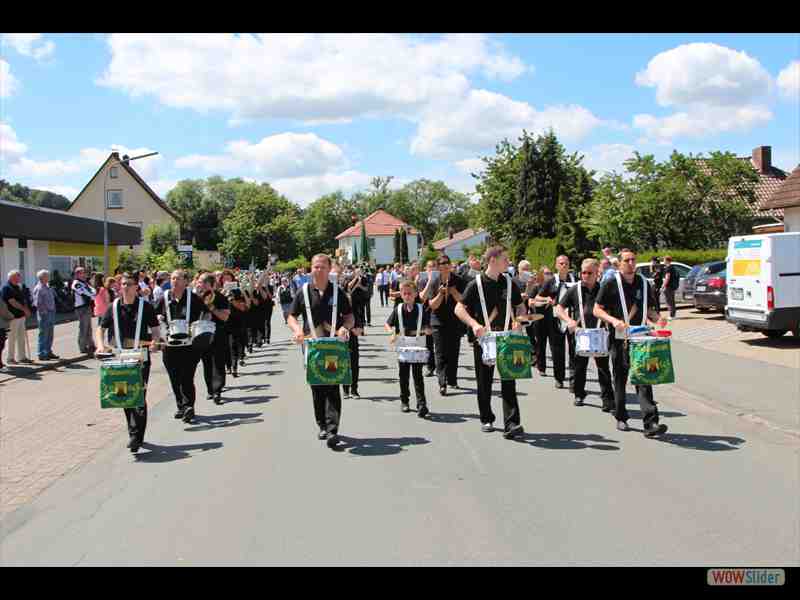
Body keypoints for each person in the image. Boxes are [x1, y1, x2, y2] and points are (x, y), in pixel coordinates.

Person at [593, 249, 669, 438]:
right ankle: (621, 416)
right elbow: (597, 309)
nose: (631, 263)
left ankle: (651, 423)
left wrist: (658, 319)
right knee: (620, 379)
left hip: (641, 339)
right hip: (620, 340)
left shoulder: (644, 283)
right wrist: (613, 321)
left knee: (644, 379)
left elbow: (649, 310)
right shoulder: (611, 283)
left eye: (634, 260)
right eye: (627, 260)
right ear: (619, 264)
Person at [455, 246, 526, 439]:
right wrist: (474, 324)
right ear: (493, 260)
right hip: (485, 339)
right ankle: (486, 418)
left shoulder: (509, 283)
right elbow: (459, 309)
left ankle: (511, 423)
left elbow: (520, 307)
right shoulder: (476, 284)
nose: (508, 262)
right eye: (505, 259)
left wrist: (519, 321)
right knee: (484, 381)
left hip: (506, 338)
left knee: (509, 381)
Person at [287, 254, 354, 449]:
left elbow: (349, 317)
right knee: (317, 386)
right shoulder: (304, 291)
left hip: (332, 346)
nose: (319, 270)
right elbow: (291, 316)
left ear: (329, 269)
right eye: (315, 267)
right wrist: (298, 330)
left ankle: (333, 429)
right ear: (311, 269)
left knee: (332, 385)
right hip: (312, 346)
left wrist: (345, 328)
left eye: (322, 267)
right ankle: (322, 425)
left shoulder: (338, 292)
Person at [95, 272, 162, 453]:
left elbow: (155, 329)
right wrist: (101, 346)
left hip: (140, 357)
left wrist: (155, 341)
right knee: (123, 396)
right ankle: (134, 433)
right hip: (120, 358)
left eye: (129, 284)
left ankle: (135, 436)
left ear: (136, 287)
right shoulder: (113, 306)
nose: (125, 287)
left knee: (138, 395)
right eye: (122, 284)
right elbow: (100, 329)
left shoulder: (145, 307)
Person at [554, 259, 614, 410]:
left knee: (603, 368)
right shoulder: (575, 289)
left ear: (597, 273)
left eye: (589, 273)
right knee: (580, 367)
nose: (585, 275)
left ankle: (608, 400)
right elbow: (558, 308)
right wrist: (569, 321)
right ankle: (579, 394)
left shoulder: (604, 289)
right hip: (581, 334)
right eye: (583, 272)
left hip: (600, 333)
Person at [160, 269, 209, 423]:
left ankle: (189, 406)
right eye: (172, 278)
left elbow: (206, 313)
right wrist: (159, 321)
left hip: (189, 346)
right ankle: (181, 406)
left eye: (177, 278)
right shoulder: (165, 298)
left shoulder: (193, 298)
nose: (174, 281)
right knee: (174, 378)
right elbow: (154, 316)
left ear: (185, 281)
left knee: (187, 377)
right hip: (170, 345)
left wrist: (200, 327)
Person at [386, 279, 433, 417]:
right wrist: (392, 332)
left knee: (418, 375)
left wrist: (427, 330)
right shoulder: (398, 309)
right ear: (401, 294)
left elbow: (427, 326)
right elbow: (388, 324)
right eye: (404, 293)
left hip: (418, 343)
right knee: (403, 375)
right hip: (403, 344)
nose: (407, 296)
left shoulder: (421, 309)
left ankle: (422, 404)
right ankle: (404, 401)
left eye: (410, 293)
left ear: (415, 294)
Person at [534, 255, 577, 390]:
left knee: (574, 350)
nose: (564, 266)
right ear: (556, 266)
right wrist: (547, 300)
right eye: (561, 263)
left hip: (571, 319)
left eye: (566, 263)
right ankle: (559, 378)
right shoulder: (551, 281)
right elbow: (536, 299)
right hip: (554, 320)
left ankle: (573, 380)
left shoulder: (576, 280)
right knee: (557, 351)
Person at [426, 255, 466, 395]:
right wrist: (441, 294)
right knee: (440, 352)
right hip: (438, 321)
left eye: (447, 263)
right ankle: (442, 382)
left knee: (453, 351)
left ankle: (452, 379)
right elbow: (432, 305)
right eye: (442, 263)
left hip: (455, 320)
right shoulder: (434, 281)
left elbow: (463, 300)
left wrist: (453, 291)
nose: (445, 265)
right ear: (438, 266)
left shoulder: (459, 280)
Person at [198, 273, 230, 404]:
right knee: (206, 362)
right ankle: (210, 390)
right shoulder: (196, 298)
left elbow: (225, 317)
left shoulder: (221, 297)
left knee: (218, 362)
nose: (199, 284)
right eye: (199, 282)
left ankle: (217, 390)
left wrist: (212, 308)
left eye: (201, 282)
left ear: (210, 284)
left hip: (218, 333)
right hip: (202, 334)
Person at [343, 266, 368, 399]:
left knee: (354, 362)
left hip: (354, 331)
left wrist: (359, 327)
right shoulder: (340, 296)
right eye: (349, 282)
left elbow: (360, 309)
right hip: (342, 332)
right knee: (343, 361)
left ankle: (354, 389)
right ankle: (345, 389)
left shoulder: (357, 294)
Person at [2, 270, 33, 364]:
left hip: (21, 316)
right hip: (13, 317)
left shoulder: (17, 287)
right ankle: (10, 358)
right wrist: (24, 309)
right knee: (12, 338)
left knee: (21, 337)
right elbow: (12, 302)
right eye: (18, 276)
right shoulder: (7, 288)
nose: (20, 277)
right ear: (12, 277)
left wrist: (26, 309)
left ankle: (22, 357)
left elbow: (22, 300)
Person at [416, 260, 439, 377]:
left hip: (439, 314)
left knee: (440, 344)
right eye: (430, 267)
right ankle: (430, 366)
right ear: (426, 268)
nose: (432, 268)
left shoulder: (441, 280)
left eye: (434, 266)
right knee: (428, 343)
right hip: (427, 314)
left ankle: (441, 367)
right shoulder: (422, 280)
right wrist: (430, 281)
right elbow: (421, 297)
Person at [32, 270, 59, 361]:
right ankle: (41, 353)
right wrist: (44, 313)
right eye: (47, 276)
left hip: (51, 313)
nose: (48, 277)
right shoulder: (39, 288)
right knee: (43, 334)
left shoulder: (47, 287)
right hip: (45, 314)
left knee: (50, 334)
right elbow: (37, 303)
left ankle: (48, 351)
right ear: (42, 277)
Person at [71, 267, 97, 356]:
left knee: (89, 328)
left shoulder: (85, 283)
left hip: (87, 307)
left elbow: (93, 291)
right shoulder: (76, 284)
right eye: (83, 273)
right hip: (81, 308)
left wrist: (92, 294)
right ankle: (82, 347)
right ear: (77, 274)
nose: (85, 274)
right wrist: (92, 295)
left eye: (85, 272)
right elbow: (87, 293)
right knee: (83, 328)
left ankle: (91, 345)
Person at [227, 288, 249, 375]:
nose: (231, 297)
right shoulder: (228, 303)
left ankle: (240, 360)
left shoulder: (240, 303)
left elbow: (247, 306)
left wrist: (244, 293)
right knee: (233, 348)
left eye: (232, 295)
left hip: (241, 327)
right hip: (231, 329)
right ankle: (234, 368)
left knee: (241, 345)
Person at [662, 256, 679, 320]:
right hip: (672, 287)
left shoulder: (668, 268)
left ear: (667, 260)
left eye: (664, 260)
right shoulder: (672, 267)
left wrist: (663, 286)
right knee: (672, 301)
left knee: (669, 301)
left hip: (668, 287)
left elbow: (667, 278)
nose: (663, 261)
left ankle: (672, 315)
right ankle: (673, 315)